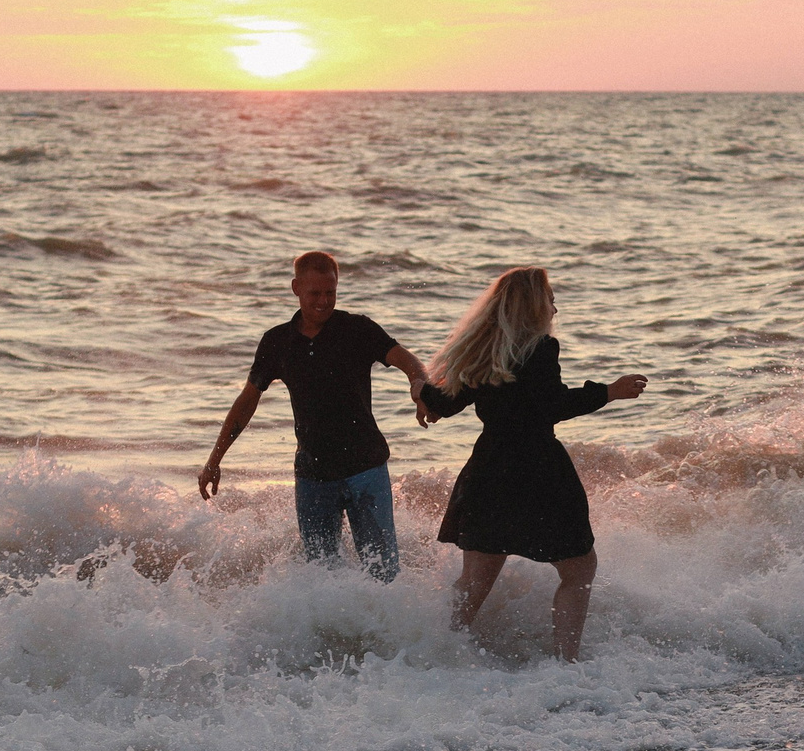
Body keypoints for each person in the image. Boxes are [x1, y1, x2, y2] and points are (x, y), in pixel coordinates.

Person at [418, 266, 647, 661]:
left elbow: (444, 404)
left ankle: (434, 654)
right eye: (551, 299)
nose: (555, 308)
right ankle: (566, 662)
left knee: (475, 580)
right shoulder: (540, 348)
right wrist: (609, 391)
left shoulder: (484, 351)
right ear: (534, 307)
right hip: (537, 470)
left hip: (488, 471)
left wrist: (421, 394)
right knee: (579, 569)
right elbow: (552, 405)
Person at [197, 250, 432, 580]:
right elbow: (246, 403)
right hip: (313, 477)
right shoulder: (277, 342)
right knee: (322, 578)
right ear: (296, 288)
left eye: (331, 292)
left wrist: (420, 387)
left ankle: (384, 632)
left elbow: (408, 361)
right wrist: (214, 459)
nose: (324, 301)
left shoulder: (357, 329)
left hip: (366, 470)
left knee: (384, 576)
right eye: (315, 293)